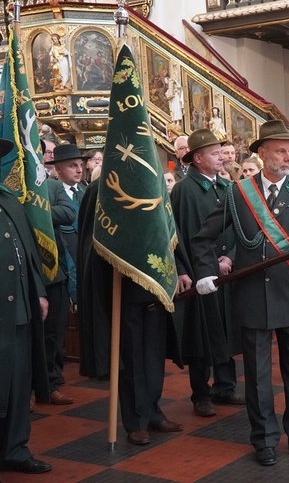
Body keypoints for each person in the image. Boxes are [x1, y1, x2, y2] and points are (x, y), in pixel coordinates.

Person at [192, 120, 289, 466]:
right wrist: (206, 273)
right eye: (281, 150)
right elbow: (203, 237)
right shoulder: (239, 193)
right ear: (262, 153)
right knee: (256, 375)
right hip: (253, 295)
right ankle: (264, 439)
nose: (288, 157)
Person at [77, 180, 184, 446]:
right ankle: (135, 420)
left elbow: (166, 230)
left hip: (155, 285)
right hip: (121, 288)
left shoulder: (152, 182)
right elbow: (92, 236)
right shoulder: (101, 188)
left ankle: (152, 411)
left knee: (154, 355)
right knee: (132, 357)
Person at [171, 129, 243, 418]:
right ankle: (200, 392)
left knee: (225, 326)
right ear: (197, 158)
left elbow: (239, 227)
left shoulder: (226, 187)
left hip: (226, 271)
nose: (221, 157)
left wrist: (231, 256)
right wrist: (190, 268)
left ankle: (225, 385)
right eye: (215, 153)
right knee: (201, 332)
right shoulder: (184, 191)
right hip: (201, 272)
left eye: (221, 152)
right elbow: (181, 234)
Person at [0, 137, 53, 474]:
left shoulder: (10, 201)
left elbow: (27, 253)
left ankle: (15, 449)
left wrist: (39, 292)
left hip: (19, 311)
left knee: (18, 384)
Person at [44, 144, 91, 405]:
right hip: (52, 264)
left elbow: (76, 216)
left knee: (57, 327)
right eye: (72, 165)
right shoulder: (49, 188)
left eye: (80, 164)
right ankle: (42, 382)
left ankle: (53, 378)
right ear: (57, 168)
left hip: (73, 262)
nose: (79, 169)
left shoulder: (77, 191)